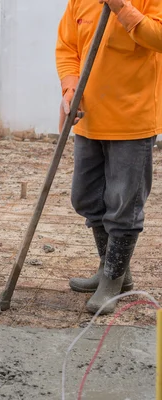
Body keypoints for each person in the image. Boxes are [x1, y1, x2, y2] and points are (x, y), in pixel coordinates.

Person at [56, 0, 162, 314]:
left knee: (124, 204)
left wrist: (122, 8)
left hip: (132, 120)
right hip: (89, 118)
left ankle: (113, 279)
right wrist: (70, 87)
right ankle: (112, 268)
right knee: (85, 197)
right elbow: (66, 47)